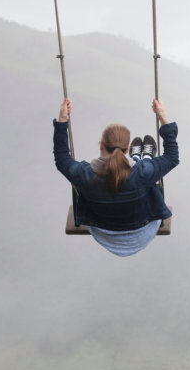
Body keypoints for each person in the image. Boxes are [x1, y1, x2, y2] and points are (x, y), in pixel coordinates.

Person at [53, 97, 179, 256]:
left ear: (101, 144)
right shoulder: (142, 174)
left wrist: (62, 119)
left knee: (144, 175)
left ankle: (140, 158)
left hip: (104, 234)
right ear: (126, 149)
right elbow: (172, 157)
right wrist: (163, 117)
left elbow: (62, 158)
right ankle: (142, 158)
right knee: (147, 175)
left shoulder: (84, 175)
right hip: (143, 232)